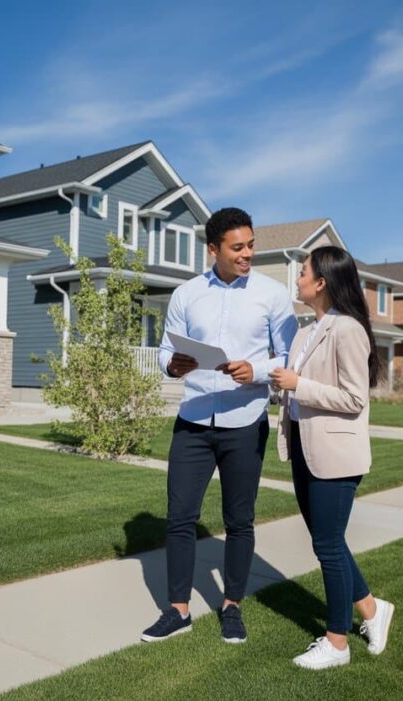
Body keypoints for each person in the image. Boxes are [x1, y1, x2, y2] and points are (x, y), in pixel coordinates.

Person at [140, 207, 298, 645]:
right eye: (238, 247)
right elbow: (164, 351)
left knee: (239, 519)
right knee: (179, 517)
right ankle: (177, 611)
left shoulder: (273, 295)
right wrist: (173, 364)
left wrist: (259, 369)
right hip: (192, 419)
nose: (248, 254)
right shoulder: (186, 294)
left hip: (244, 421)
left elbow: (289, 356)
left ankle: (232, 607)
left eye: (251, 245)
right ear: (213, 249)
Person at [270, 246, 394, 670]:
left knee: (326, 544)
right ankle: (374, 611)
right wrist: (276, 384)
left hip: (337, 454)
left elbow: (354, 398)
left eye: (302, 272)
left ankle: (337, 643)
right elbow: (297, 387)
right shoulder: (307, 333)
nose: (298, 278)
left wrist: (298, 384)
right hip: (306, 448)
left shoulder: (348, 330)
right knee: (330, 542)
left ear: (321, 282)